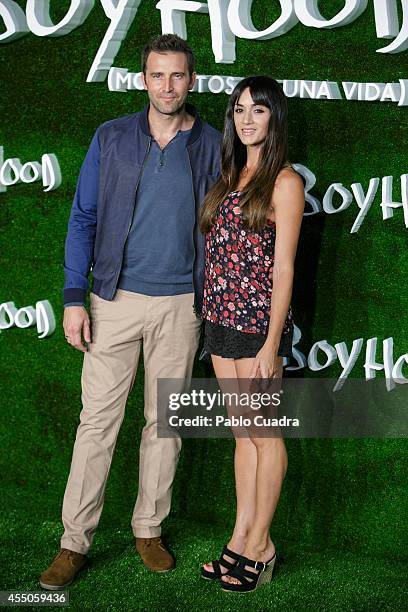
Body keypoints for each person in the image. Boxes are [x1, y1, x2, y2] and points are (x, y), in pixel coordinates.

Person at [39, 34, 221, 590]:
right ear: (144, 79)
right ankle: (74, 541)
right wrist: (74, 298)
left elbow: (225, 227)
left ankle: (149, 528)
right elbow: (82, 218)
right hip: (113, 301)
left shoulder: (213, 143)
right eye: (157, 75)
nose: (167, 86)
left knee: (164, 426)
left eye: (178, 76)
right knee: (97, 423)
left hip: (181, 307)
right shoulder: (111, 137)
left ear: (192, 81)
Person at [199, 76, 304, 593]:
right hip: (220, 322)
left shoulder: (285, 183)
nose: (246, 119)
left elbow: (283, 268)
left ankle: (262, 546)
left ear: (273, 119)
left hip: (257, 328)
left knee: (266, 435)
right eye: (239, 109)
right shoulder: (231, 174)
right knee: (244, 435)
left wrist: (270, 344)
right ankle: (240, 537)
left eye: (258, 111)